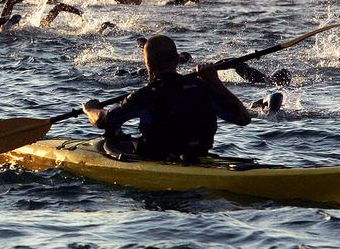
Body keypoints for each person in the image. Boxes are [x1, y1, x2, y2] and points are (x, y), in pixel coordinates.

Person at [82, 35, 251, 161]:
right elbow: (244, 118)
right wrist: (215, 82)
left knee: (113, 137)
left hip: (157, 159)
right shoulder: (203, 87)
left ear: (148, 64)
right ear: (177, 60)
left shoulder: (146, 95)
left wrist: (90, 109)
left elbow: (103, 121)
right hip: (199, 156)